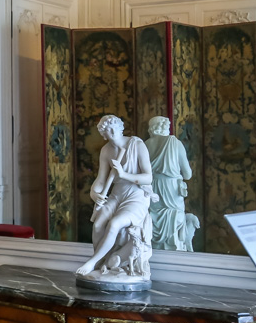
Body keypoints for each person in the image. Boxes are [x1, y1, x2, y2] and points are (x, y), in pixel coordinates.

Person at [77, 115, 158, 277]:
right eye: (108, 130)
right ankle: (102, 263)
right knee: (98, 223)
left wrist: (123, 174)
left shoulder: (137, 145)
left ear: (121, 128)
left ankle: (92, 262)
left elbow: (148, 177)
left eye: (115, 128)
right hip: (117, 195)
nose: (113, 132)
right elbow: (101, 179)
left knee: (115, 224)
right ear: (104, 134)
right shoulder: (106, 150)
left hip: (136, 196)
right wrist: (94, 194)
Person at [145, 116, 198, 251]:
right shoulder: (175, 143)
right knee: (173, 216)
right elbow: (187, 174)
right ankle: (174, 249)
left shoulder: (146, 144)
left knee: (153, 215)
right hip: (171, 187)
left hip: (151, 187)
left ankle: (152, 250)